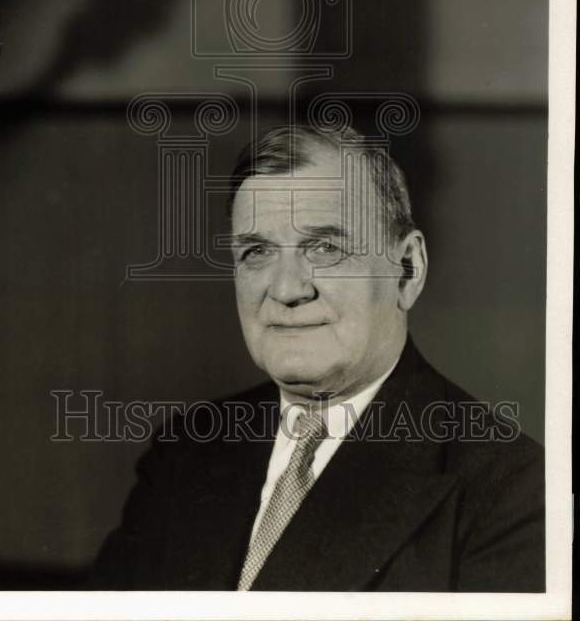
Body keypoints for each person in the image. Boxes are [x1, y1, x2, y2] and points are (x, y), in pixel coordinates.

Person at [90, 123, 544, 591]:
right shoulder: (184, 456)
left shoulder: (512, 491)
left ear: (407, 271)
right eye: (257, 251)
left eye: (325, 247)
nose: (287, 289)